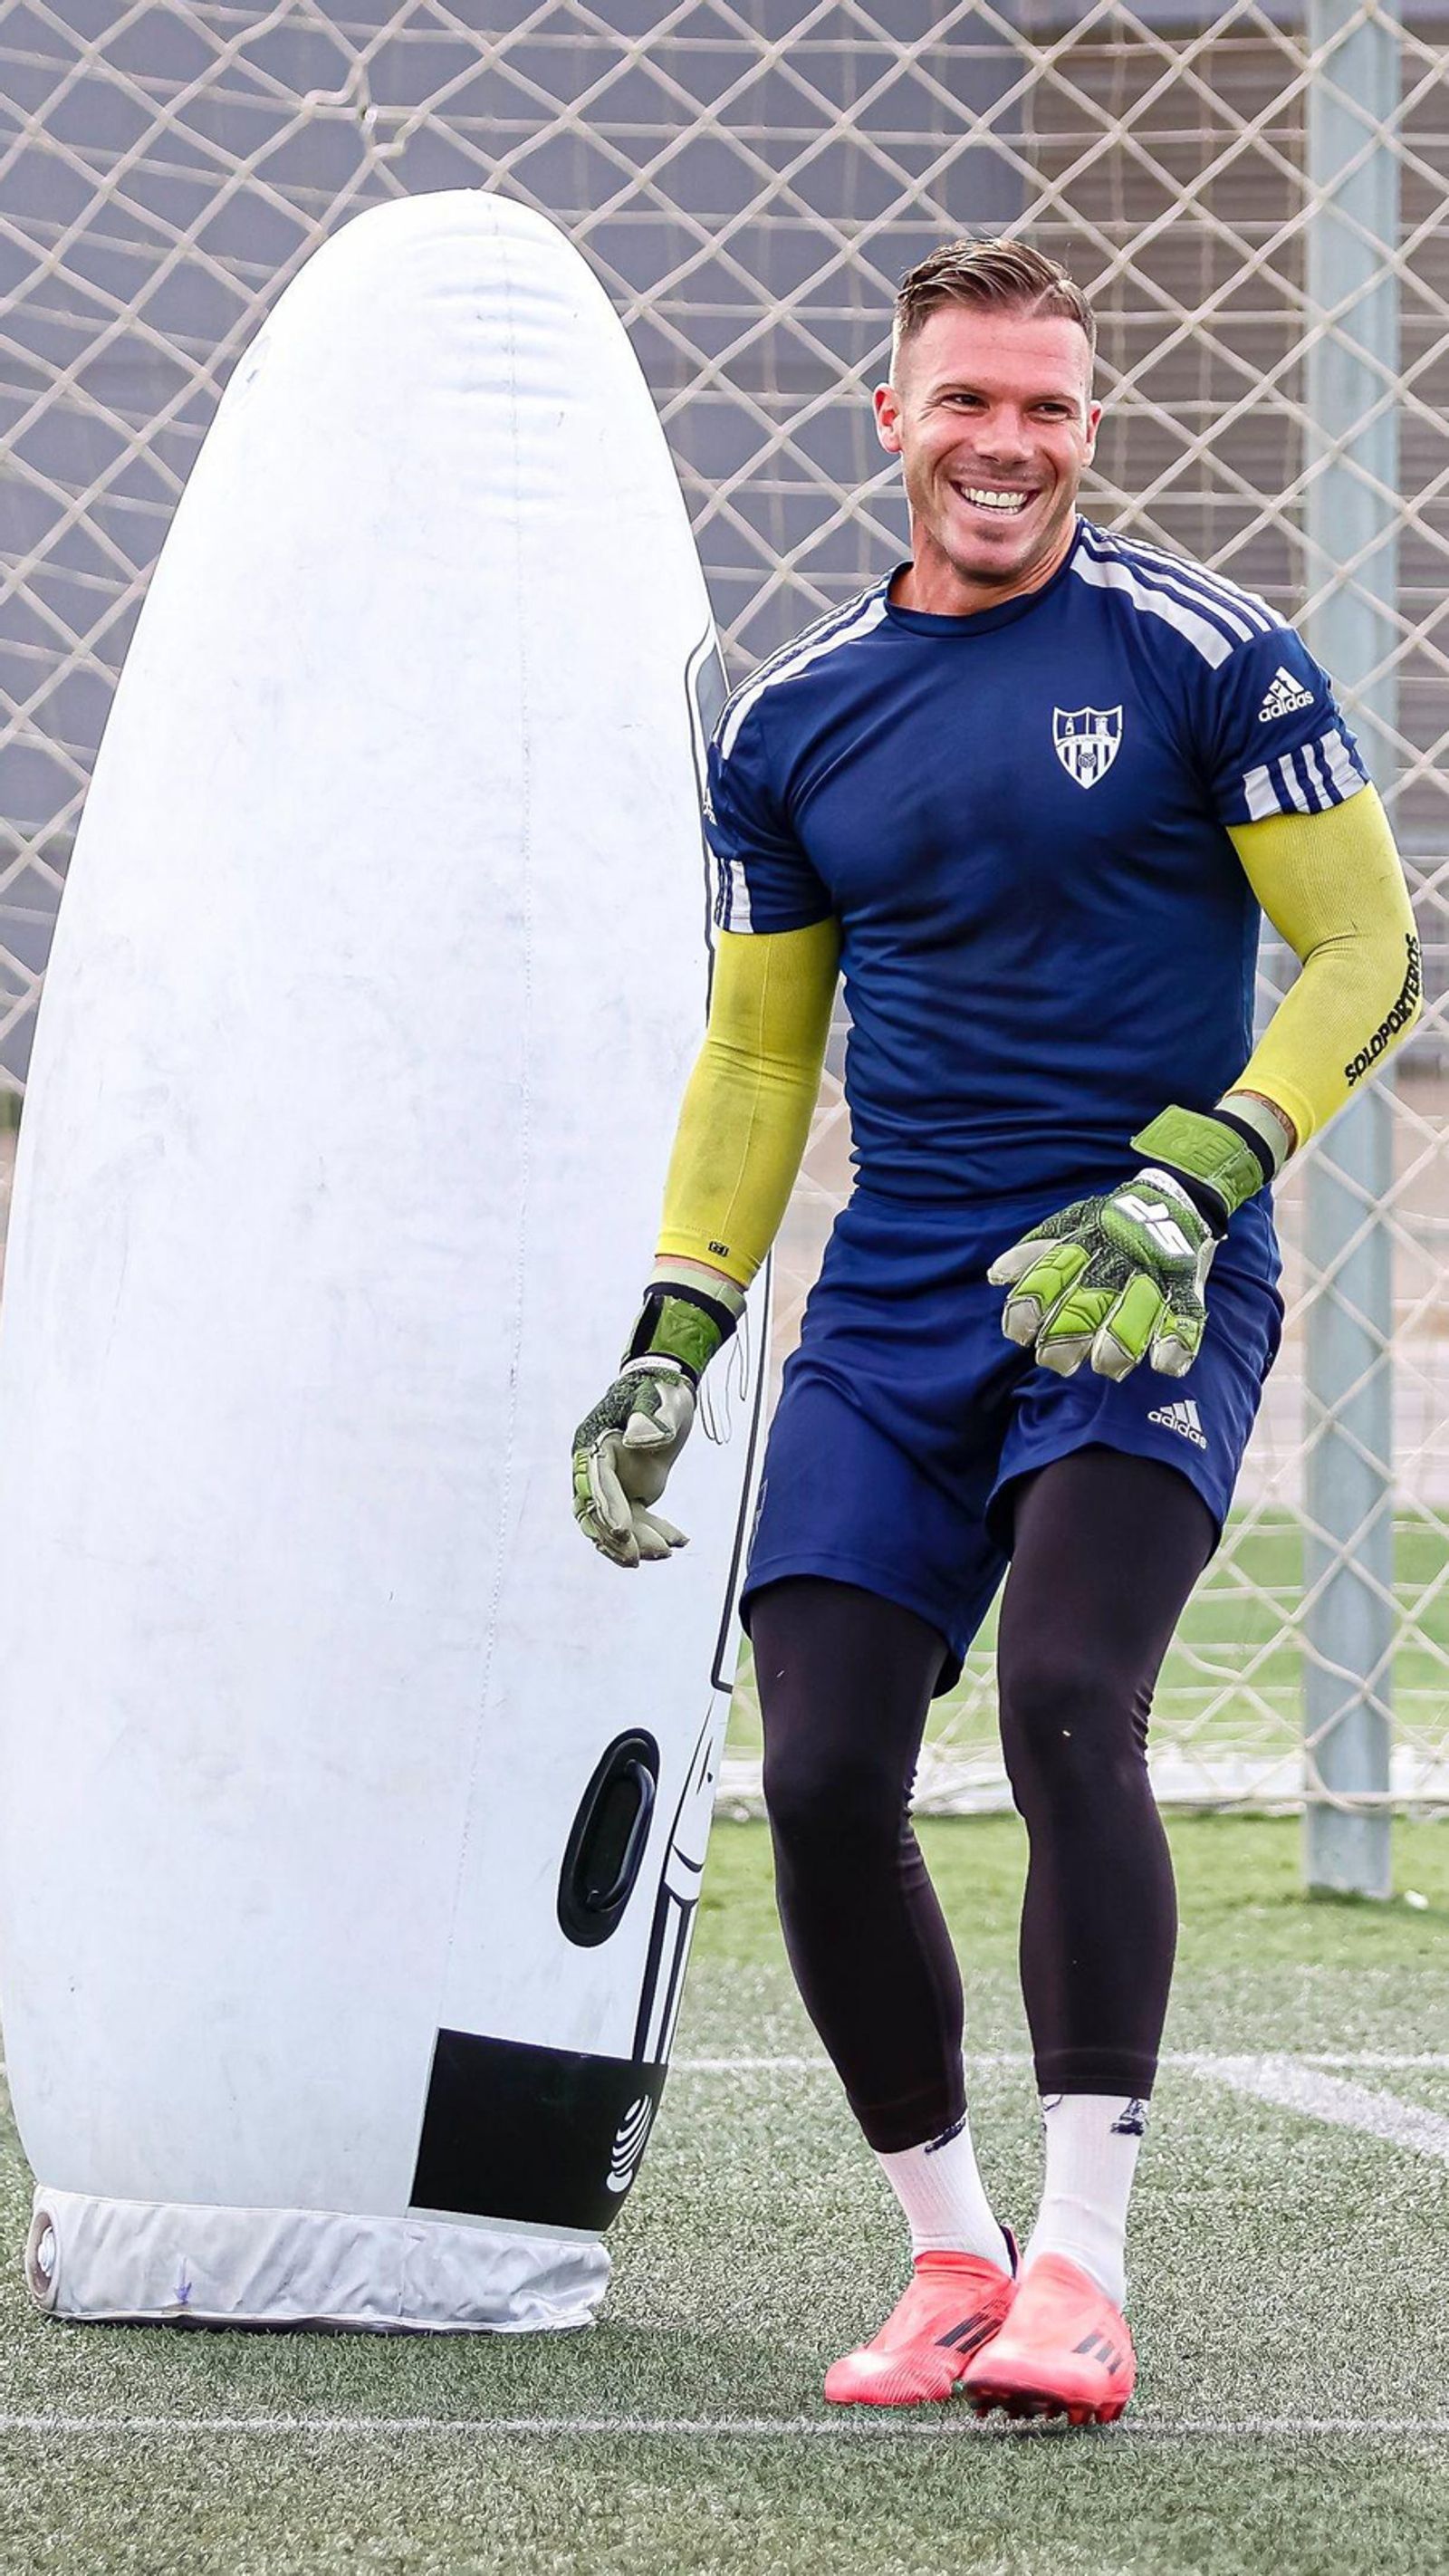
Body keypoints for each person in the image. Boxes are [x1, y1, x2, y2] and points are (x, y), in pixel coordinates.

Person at [571, 238, 1421, 2423]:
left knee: (1062, 1696)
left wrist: (1196, 1168)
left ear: (1087, 424)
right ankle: (946, 2259)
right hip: (898, 1297)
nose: (1006, 445)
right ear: (890, 421)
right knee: (827, 1764)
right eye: (966, 402)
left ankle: (1081, 2267)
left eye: (1045, 406)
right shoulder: (789, 720)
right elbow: (761, 1064)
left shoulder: (1203, 655)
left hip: (1146, 1265)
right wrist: (677, 1320)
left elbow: (1362, 957)